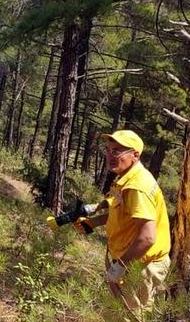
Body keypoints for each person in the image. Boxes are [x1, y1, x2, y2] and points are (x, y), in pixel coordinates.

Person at [73, 129, 171, 321]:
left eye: (117, 151)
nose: (110, 155)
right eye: (108, 149)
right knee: (118, 314)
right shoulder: (126, 178)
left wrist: (120, 266)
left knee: (128, 317)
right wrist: (92, 222)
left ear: (135, 155)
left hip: (140, 266)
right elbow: (122, 215)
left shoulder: (137, 187)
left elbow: (148, 237)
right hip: (130, 261)